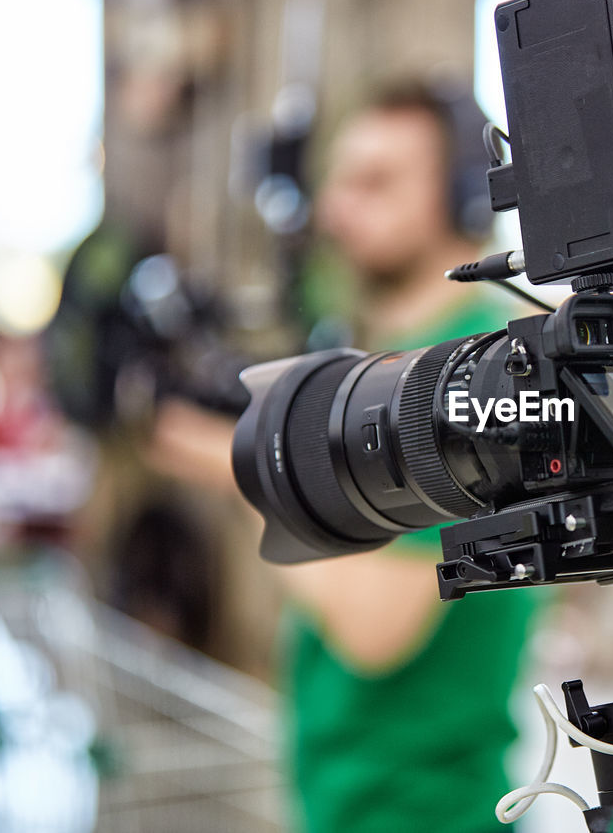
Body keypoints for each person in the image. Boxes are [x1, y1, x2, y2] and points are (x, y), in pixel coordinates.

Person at [152, 81, 536, 832]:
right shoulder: (388, 368)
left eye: (378, 182)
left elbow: (377, 628)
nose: (336, 210)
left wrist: (243, 466)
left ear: (462, 196)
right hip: (350, 799)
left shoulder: (477, 372)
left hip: (426, 811)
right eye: (341, 180)